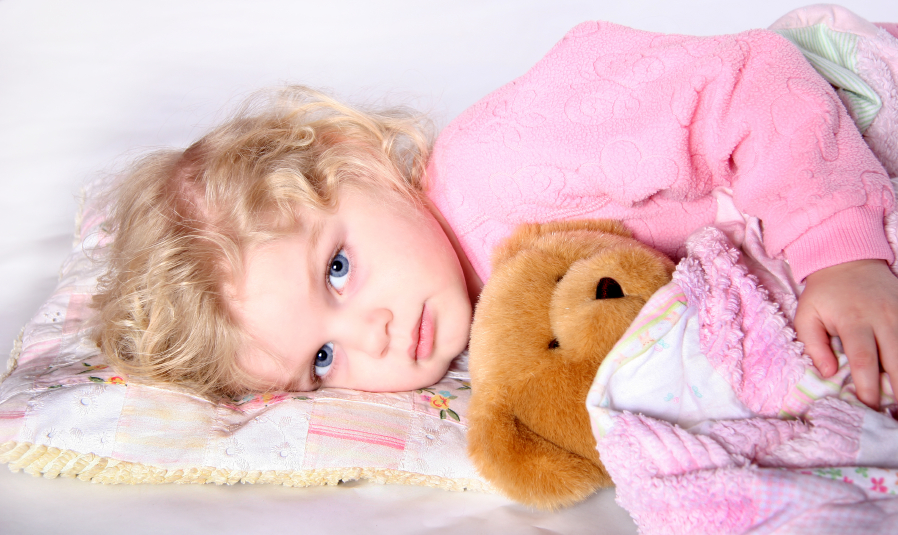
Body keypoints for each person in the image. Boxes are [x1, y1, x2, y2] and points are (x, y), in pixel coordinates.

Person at [94, 22, 898, 409]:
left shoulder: (498, 162)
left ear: (356, 162)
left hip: (849, 126)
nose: (374, 334)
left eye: (337, 269)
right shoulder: (497, 323)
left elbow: (747, 78)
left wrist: (840, 253)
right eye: (324, 359)